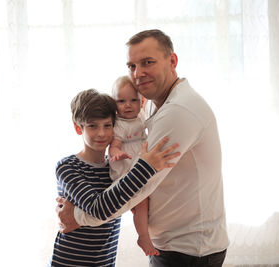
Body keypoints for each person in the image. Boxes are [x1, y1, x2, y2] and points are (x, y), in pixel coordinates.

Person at [56, 29, 229, 267]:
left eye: (147, 62)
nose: (138, 73)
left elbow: (141, 183)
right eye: (132, 66)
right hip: (172, 245)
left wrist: (77, 218)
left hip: (188, 251)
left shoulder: (178, 112)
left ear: (172, 61)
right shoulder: (150, 109)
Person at [49, 88, 180, 267]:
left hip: (105, 262)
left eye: (107, 125)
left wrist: (77, 219)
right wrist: (146, 167)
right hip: (68, 263)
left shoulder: (115, 169)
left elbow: (122, 202)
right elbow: (99, 208)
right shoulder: (67, 167)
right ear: (78, 128)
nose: (101, 133)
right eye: (92, 126)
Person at [108, 76, 159, 256]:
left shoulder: (140, 116)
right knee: (141, 203)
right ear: (114, 104)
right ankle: (143, 236)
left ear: (141, 101)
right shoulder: (119, 125)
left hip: (139, 162)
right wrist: (117, 154)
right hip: (126, 167)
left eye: (133, 100)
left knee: (148, 201)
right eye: (121, 101)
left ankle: (148, 231)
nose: (128, 105)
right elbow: (113, 146)